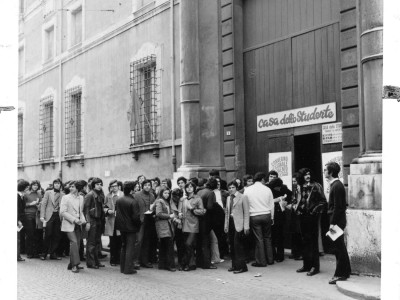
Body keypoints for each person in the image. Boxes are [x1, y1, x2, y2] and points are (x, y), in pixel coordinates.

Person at [296, 168, 327, 276]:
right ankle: (306, 265)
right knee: (305, 241)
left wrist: (314, 211)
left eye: (309, 174)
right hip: (302, 216)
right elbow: (295, 199)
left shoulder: (316, 185)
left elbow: (323, 201)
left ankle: (315, 267)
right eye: (305, 175)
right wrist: (296, 207)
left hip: (312, 216)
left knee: (313, 242)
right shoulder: (299, 186)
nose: (307, 176)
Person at [324, 162, 351, 284]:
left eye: (326, 170)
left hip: (337, 222)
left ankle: (340, 274)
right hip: (337, 221)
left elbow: (338, 208)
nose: (324, 172)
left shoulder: (337, 186)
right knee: (340, 247)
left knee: (338, 248)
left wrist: (332, 224)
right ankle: (346, 271)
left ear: (331, 172)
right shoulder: (336, 185)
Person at [243, 172, 274, 267]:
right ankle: (270, 259)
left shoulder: (248, 190)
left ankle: (261, 261)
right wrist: (272, 217)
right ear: (262, 179)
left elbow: (245, 205)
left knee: (259, 239)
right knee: (267, 238)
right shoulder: (267, 189)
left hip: (254, 216)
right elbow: (271, 204)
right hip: (266, 214)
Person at [115, 181, 142, 275]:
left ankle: (123, 268)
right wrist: (139, 224)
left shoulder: (119, 200)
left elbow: (117, 214)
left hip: (122, 227)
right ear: (131, 190)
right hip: (131, 228)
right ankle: (128, 269)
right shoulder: (133, 201)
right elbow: (136, 217)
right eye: (134, 188)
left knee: (124, 246)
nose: (136, 189)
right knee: (130, 248)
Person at [60, 181, 86, 273]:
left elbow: (81, 211)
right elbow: (62, 212)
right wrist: (74, 219)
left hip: (78, 224)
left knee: (77, 244)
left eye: (73, 187)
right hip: (69, 223)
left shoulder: (81, 198)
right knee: (74, 242)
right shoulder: (65, 197)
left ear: (78, 188)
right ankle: (75, 265)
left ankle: (71, 264)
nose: (70, 188)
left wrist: (83, 220)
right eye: (70, 186)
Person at [224, 181, 250, 274]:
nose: (231, 189)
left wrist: (246, 226)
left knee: (238, 245)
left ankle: (242, 267)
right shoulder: (228, 198)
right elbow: (227, 212)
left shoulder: (243, 197)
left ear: (236, 188)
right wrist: (226, 225)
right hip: (231, 223)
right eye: (229, 188)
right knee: (232, 246)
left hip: (239, 224)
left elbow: (246, 213)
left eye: (233, 187)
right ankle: (234, 265)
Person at [180, 181, 205, 271]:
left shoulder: (198, 199)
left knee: (188, 244)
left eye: (191, 187)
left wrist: (192, 208)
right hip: (184, 224)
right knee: (187, 245)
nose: (189, 188)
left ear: (194, 188)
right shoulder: (183, 199)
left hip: (193, 224)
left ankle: (186, 264)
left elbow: (202, 211)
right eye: (187, 187)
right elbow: (181, 210)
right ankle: (191, 264)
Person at [268, 176, 292, 263]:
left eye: (279, 187)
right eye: (277, 187)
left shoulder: (284, 187)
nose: (278, 188)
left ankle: (280, 255)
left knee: (280, 235)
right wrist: (277, 200)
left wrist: (286, 201)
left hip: (281, 213)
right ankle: (273, 254)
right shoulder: (269, 188)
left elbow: (290, 195)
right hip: (272, 213)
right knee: (273, 235)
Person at [84, 177, 106, 269]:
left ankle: (96, 261)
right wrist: (88, 222)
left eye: (101, 184)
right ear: (93, 185)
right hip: (92, 220)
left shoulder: (100, 194)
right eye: (97, 184)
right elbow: (86, 210)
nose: (99, 186)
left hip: (99, 220)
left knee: (97, 242)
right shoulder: (90, 195)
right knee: (91, 242)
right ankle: (90, 262)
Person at [133, 179, 156, 268]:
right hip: (140, 221)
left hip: (149, 220)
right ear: (142, 186)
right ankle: (135, 261)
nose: (147, 187)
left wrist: (152, 210)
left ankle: (144, 261)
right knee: (138, 241)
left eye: (149, 185)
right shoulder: (137, 195)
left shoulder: (152, 195)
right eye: (145, 185)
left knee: (147, 241)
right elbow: (134, 208)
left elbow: (153, 207)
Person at [196, 178, 218, 269]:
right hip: (206, 219)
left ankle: (199, 262)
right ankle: (206, 263)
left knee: (199, 241)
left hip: (198, 218)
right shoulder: (211, 193)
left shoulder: (199, 192)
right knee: (206, 242)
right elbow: (209, 207)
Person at [40, 178, 64, 260]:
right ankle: (44, 253)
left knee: (57, 235)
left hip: (58, 216)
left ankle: (53, 253)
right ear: (53, 184)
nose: (57, 185)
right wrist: (42, 216)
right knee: (48, 234)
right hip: (49, 215)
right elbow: (43, 204)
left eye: (58, 183)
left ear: (61, 185)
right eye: (55, 183)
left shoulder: (62, 194)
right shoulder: (48, 192)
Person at [154, 187, 176, 271]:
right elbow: (158, 213)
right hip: (163, 225)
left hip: (165, 225)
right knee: (168, 245)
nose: (167, 195)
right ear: (161, 193)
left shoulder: (164, 201)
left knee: (163, 245)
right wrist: (169, 216)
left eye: (168, 193)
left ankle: (162, 264)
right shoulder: (160, 201)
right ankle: (170, 265)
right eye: (165, 193)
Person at [104, 180, 123, 266]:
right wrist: (108, 210)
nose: (114, 188)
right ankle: (113, 259)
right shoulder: (108, 196)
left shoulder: (122, 195)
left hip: (121, 221)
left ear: (118, 186)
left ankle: (119, 258)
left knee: (120, 240)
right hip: (111, 220)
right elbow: (104, 206)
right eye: (112, 186)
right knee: (112, 241)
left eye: (115, 186)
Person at [23, 180, 42, 259]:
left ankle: (36, 252)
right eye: (34, 185)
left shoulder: (39, 194)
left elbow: (41, 203)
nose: (35, 186)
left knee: (36, 234)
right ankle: (29, 252)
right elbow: (23, 205)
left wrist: (38, 205)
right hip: (28, 215)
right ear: (31, 186)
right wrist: (31, 204)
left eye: (37, 185)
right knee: (30, 234)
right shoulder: (26, 194)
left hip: (37, 215)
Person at [287, 174, 303, 260]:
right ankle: (296, 252)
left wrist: (293, 205)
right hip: (294, 213)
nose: (294, 183)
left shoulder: (301, 189)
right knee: (295, 233)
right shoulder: (295, 189)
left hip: (299, 214)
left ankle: (300, 253)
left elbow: (300, 201)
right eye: (293, 181)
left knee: (299, 234)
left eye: (295, 181)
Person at [170, 188, 185, 269]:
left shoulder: (183, 201)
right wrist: (175, 219)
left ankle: (180, 262)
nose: (176, 198)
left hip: (180, 226)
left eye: (178, 197)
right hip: (171, 225)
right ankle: (171, 263)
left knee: (180, 244)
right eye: (174, 196)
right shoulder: (169, 201)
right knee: (170, 244)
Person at [18, 179, 30, 262]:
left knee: (18, 239)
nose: (28, 189)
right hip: (18, 220)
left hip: (20, 219)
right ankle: (17, 256)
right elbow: (17, 210)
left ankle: (17, 255)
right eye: (27, 187)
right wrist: (18, 221)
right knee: (17, 239)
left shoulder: (21, 196)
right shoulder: (18, 196)